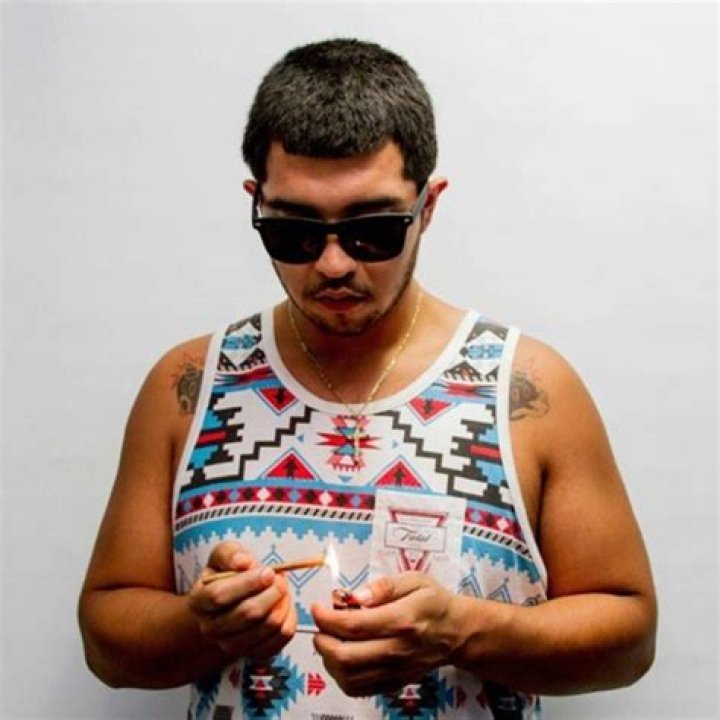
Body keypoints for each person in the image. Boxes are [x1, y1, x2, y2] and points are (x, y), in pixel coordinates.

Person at [78, 38, 657, 719]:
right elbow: (105, 641)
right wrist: (201, 627)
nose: (332, 264)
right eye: (294, 232)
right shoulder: (189, 386)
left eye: (373, 230)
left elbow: (630, 639)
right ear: (255, 203)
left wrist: (463, 632)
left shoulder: (527, 390)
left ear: (428, 206)